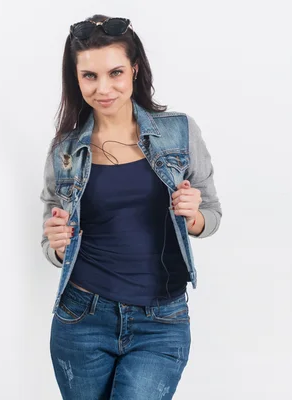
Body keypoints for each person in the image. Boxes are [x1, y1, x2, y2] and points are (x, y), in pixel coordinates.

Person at [39, 14, 222, 399]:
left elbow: (211, 213)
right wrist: (56, 242)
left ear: (135, 70)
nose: (103, 88)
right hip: (82, 318)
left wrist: (193, 215)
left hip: (161, 321)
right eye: (89, 76)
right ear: (76, 78)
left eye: (115, 72)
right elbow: (54, 238)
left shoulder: (179, 131)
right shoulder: (65, 151)